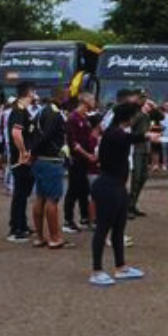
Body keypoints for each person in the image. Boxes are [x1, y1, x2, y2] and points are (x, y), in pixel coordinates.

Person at [89, 96, 147, 287]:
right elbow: (128, 138)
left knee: (119, 228)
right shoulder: (113, 133)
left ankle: (120, 267)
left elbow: (129, 137)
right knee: (102, 229)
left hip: (118, 186)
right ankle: (96, 270)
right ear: (128, 118)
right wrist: (147, 136)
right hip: (107, 186)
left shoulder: (118, 132)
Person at [26, 88, 69, 249]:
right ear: (62, 96)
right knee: (52, 200)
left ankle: (39, 237)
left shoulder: (40, 112)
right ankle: (54, 237)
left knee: (40, 197)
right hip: (51, 159)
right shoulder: (55, 114)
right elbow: (47, 137)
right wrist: (33, 152)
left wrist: (32, 153)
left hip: (39, 160)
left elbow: (31, 134)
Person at [5, 86, 36, 241]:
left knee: (23, 194)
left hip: (22, 158)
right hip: (20, 159)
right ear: (28, 93)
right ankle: (15, 228)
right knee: (20, 194)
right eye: (33, 92)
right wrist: (23, 152)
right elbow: (16, 133)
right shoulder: (18, 110)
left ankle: (21, 224)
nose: (35, 95)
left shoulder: (22, 110)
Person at [64, 91, 98, 232]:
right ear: (85, 101)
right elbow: (73, 143)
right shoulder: (73, 118)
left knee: (84, 190)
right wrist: (87, 155)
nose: (95, 102)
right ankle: (68, 220)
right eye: (92, 100)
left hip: (86, 160)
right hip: (77, 159)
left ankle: (85, 217)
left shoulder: (84, 118)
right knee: (73, 189)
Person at [127, 92, 156, 218]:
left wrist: (153, 108)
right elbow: (129, 128)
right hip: (136, 149)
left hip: (145, 149)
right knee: (136, 178)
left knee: (143, 177)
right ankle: (128, 206)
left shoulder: (147, 115)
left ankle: (133, 204)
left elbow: (160, 116)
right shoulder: (137, 115)